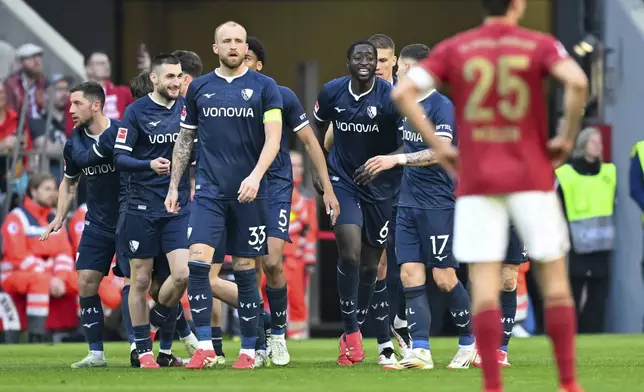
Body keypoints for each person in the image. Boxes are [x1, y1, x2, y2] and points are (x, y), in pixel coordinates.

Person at [391, 0, 588, 390]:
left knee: (483, 284)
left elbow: (402, 94)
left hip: (478, 180)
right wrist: (566, 137)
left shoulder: (457, 47)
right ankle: (568, 382)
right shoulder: (538, 43)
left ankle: (492, 385)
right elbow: (578, 82)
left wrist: (440, 147)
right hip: (530, 173)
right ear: (519, 5)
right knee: (555, 282)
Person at [166, 21, 283, 370]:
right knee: (198, 266)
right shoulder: (199, 88)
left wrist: (256, 176)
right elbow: (185, 140)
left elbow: (273, 140)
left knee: (246, 272)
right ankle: (205, 346)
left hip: (250, 195)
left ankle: (249, 350)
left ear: (246, 48)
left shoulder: (265, 87)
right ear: (215, 47)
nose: (233, 46)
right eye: (226, 41)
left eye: (239, 41)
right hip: (209, 193)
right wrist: (174, 185)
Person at [357, 43, 475, 369]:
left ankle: (469, 342)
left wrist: (397, 159)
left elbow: (441, 151)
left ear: (410, 70)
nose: (395, 75)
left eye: (398, 69)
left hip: (439, 204)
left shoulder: (441, 106)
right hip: (407, 203)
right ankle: (420, 349)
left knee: (444, 277)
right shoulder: (403, 107)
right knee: (409, 274)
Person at [242, 36, 338, 365]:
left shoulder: (281, 96)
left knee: (270, 262)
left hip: (275, 187)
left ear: (258, 64)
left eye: (248, 56)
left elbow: (311, 142)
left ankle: (278, 335)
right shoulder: (224, 96)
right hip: (240, 187)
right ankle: (253, 341)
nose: (241, 59)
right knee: (247, 269)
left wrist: (327, 188)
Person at [313, 40, 402, 366]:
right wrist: (318, 173)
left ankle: (361, 328)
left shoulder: (392, 98)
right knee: (348, 254)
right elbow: (314, 130)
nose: (366, 62)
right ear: (348, 61)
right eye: (359, 57)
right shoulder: (332, 92)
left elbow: (408, 142)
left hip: (381, 188)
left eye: (373, 58)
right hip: (342, 181)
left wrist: (387, 160)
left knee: (370, 267)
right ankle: (351, 332)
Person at [114, 53, 191, 369]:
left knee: (182, 274)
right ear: (155, 79)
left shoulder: (188, 109)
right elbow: (119, 158)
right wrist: (148, 164)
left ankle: (158, 321)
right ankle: (145, 352)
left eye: (179, 76)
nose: (175, 82)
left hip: (176, 206)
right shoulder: (135, 112)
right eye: (169, 76)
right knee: (140, 281)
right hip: (141, 207)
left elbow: (196, 147)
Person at [41, 81, 121, 368]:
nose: (70, 109)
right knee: (86, 281)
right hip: (98, 222)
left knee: (149, 285)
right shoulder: (74, 142)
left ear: (96, 105)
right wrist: (60, 216)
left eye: (77, 104)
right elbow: (69, 182)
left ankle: (171, 342)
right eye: (70, 104)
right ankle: (96, 353)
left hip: (130, 219)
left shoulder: (122, 132)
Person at [1, 173, 77, 341]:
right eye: (47, 189)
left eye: (54, 189)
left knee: (83, 279)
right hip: (14, 275)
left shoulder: (56, 219)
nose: (52, 193)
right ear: (33, 192)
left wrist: (60, 277)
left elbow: (65, 253)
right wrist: (50, 279)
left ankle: (83, 332)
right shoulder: (17, 218)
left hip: (49, 275)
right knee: (40, 281)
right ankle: (36, 334)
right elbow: (19, 257)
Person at [556, 127, 615, 334]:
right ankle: (572, 332)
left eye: (600, 142)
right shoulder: (566, 174)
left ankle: (593, 333)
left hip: (602, 246)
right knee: (574, 291)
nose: (599, 146)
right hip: (576, 245)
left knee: (599, 295)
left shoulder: (609, 172)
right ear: (582, 145)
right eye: (593, 142)